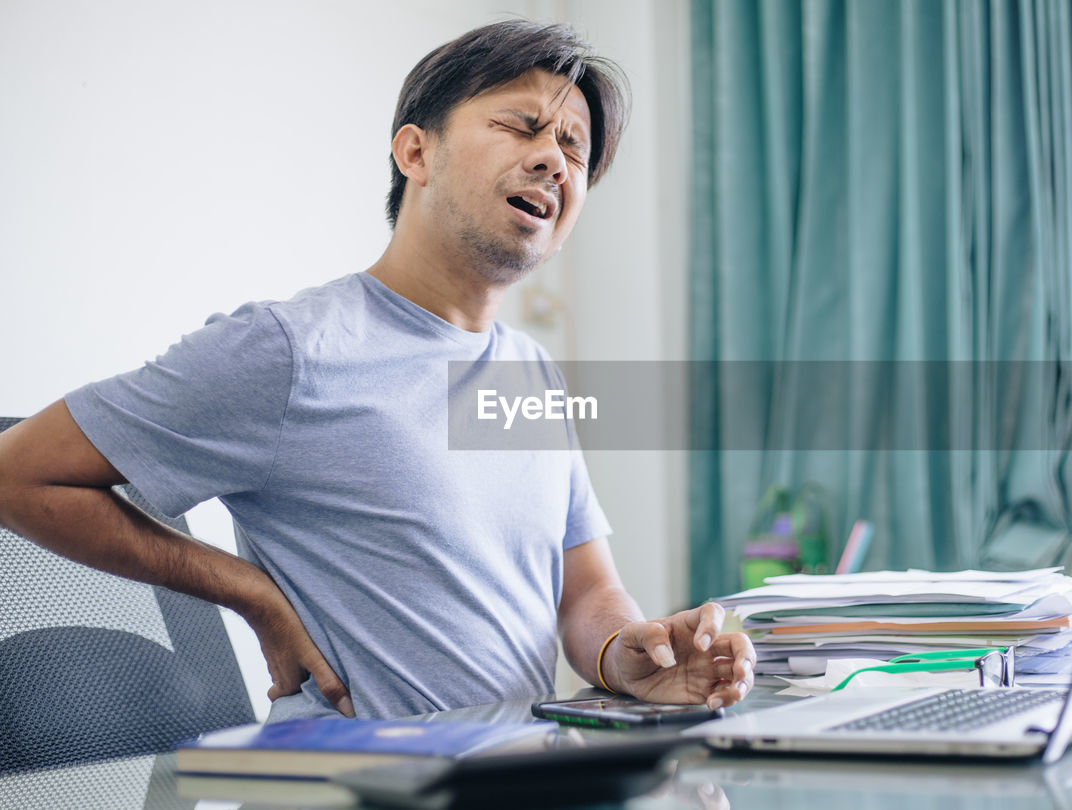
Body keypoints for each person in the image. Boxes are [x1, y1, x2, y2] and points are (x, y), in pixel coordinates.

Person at [0, 20, 755, 721]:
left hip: (506, 776)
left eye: (575, 148)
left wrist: (626, 655)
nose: (553, 158)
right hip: (355, 783)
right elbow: (16, 475)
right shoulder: (290, 350)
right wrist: (252, 592)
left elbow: (587, 589)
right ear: (415, 153)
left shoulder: (530, 374)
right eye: (522, 126)